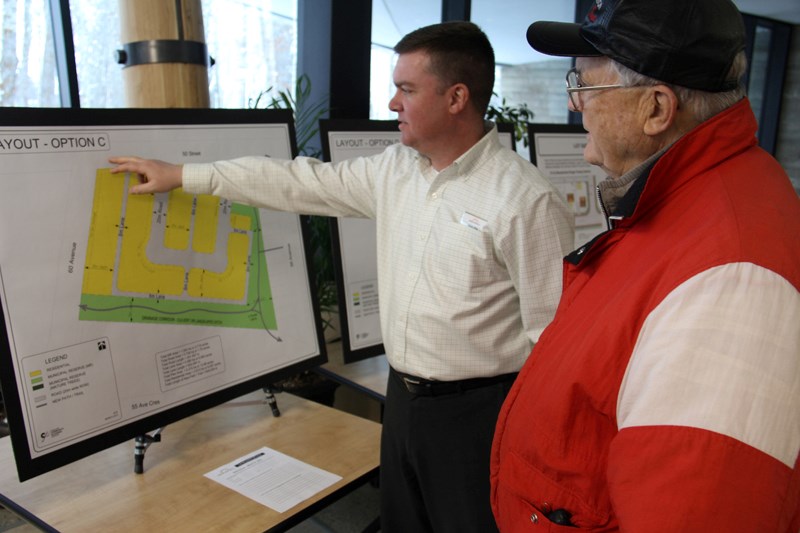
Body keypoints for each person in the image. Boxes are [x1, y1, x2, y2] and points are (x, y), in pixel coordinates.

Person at [110, 21, 574, 533]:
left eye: (407, 88)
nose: (393, 103)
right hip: (402, 404)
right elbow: (296, 181)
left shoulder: (526, 200)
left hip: (478, 417)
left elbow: (555, 342)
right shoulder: (395, 171)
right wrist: (183, 175)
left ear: (456, 97)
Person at [490, 0, 800, 531]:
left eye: (586, 86)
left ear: (656, 109)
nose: (575, 104)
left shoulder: (733, 281)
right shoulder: (686, 201)